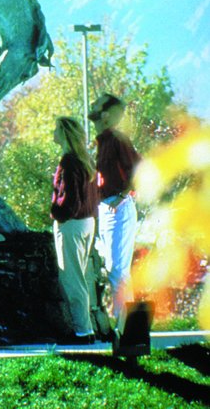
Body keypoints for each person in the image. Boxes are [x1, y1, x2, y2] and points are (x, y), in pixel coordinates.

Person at [88, 93, 141, 318]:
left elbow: (139, 170)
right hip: (107, 207)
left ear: (106, 115)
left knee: (118, 271)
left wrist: (120, 197)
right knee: (114, 270)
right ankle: (123, 327)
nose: (92, 105)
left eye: (98, 104)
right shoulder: (102, 142)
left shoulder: (117, 140)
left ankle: (125, 329)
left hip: (116, 207)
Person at [51, 116, 99, 344]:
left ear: (64, 133)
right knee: (80, 277)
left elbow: (69, 200)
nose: (53, 133)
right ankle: (86, 329)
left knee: (71, 279)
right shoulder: (84, 160)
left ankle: (82, 332)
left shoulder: (68, 162)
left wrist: (56, 213)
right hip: (87, 222)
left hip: (72, 224)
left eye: (57, 129)